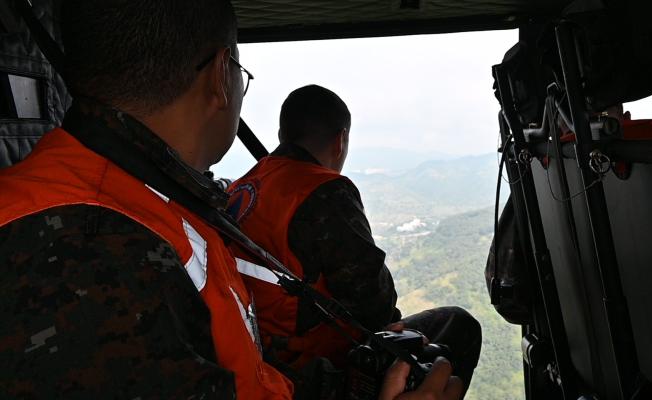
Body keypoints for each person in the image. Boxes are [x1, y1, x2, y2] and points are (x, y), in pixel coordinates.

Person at [0, 1, 462, 399]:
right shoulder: (93, 249)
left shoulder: (153, 197)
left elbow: (235, 363)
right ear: (222, 75)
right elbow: (370, 300)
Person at [227, 85, 482, 390]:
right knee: (459, 325)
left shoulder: (243, 187)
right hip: (311, 371)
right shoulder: (324, 189)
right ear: (341, 140)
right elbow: (374, 303)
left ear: (282, 135)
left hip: (253, 354)